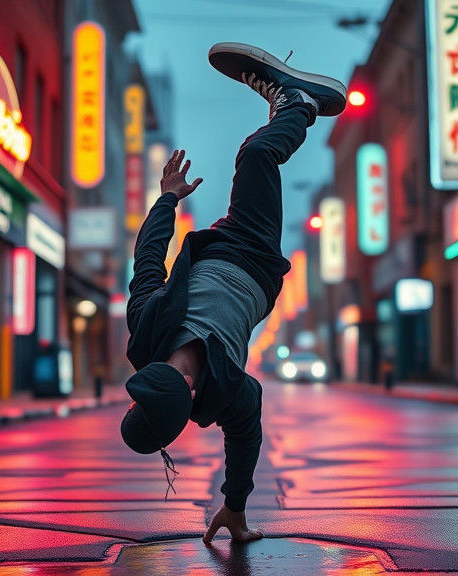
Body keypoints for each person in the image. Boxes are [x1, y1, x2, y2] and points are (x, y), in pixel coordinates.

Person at [119, 43, 346, 545]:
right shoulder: (228, 397)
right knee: (258, 154)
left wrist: (167, 200)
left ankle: (284, 106)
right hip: (256, 262)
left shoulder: (146, 330)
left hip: (221, 239)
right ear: (192, 394)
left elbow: (148, 262)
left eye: (164, 371)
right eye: (182, 379)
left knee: (254, 153)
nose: (178, 366)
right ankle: (299, 106)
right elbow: (246, 438)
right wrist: (235, 505)